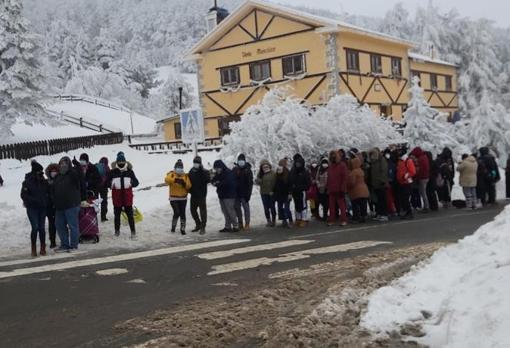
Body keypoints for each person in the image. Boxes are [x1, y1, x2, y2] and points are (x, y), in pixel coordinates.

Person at [53, 157, 85, 252]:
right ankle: (64, 244)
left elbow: (81, 177)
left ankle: (74, 245)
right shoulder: (58, 176)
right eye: (61, 164)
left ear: (69, 165)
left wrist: (78, 166)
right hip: (59, 206)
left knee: (73, 226)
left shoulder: (73, 174)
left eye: (65, 163)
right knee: (59, 225)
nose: (63, 165)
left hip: (71, 205)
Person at [21, 160, 49, 257]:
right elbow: (23, 195)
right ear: (34, 172)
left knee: (42, 228)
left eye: (41, 172)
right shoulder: (27, 182)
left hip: (42, 208)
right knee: (35, 227)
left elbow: (48, 192)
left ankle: (42, 247)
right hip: (32, 208)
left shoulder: (43, 181)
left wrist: (46, 201)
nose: (41, 174)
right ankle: (33, 248)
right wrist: (34, 200)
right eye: (39, 172)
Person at [108, 152, 139, 238]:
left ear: (125, 162)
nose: (121, 164)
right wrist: (111, 184)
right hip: (117, 197)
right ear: (117, 162)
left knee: (130, 216)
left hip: (127, 197)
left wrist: (131, 183)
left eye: (122, 162)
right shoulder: (112, 172)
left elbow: (136, 182)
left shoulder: (129, 171)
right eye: (119, 162)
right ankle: (117, 232)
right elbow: (106, 183)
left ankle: (133, 232)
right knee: (117, 216)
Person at [165, 159, 192, 235]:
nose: (179, 169)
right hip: (173, 198)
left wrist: (184, 183)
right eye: (178, 167)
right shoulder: (172, 174)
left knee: (182, 213)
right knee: (177, 212)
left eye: (181, 167)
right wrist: (175, 180)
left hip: (183, 198)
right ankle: (173, 226)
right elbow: (167, 180)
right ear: (175, 167)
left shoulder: (185, 176)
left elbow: (189, 186)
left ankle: (182, 229)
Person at [212, 160, 239, 232]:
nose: (216, 170)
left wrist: (218, 183)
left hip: (229, 196)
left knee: (230, 211)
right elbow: (213, 180)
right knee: (225, 212)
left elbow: (227, 183)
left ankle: (235, 226)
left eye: (217, 168)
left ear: (221, 167)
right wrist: (215, 182)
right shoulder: (218, 174)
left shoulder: (228, 172)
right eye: (215, 168)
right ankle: (227, 226)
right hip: (222, 195)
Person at [188, 156, 210, 234]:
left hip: (202, 195)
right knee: (192, 210)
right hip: (193, 195)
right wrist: (189, 190)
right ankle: (198, 224)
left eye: (197, 163)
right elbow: (188, 181)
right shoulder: (191, 171)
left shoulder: (204, 171)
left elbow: (208, 179)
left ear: (200, 163)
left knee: (202, 212)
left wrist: (201, 170)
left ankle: (203, 227)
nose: (195, 164)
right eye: (194, 162)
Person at [326, 150, 348, 226]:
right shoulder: (330, 166)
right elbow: (329, 178)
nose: (333, 157)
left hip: (339, 189)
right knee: (331, 206)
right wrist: (328, 187)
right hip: (331, 189)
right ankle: (331, 219)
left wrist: (343, 188)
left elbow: (344, 178)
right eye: (331, 156)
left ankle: (343, 220)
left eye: (334, 155)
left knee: (341, 206)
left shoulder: (342, 165)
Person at [289, 154, 311, 227]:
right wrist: (291, 189)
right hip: (295, 192)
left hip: (302, 191)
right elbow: (291, 181)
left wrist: (302, 188)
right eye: (297, 163)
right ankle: (298, 218)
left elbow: (308, 183)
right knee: (296, 205)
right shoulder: (293, 171)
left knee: (303, 205)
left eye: (299, 164)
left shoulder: (305, 172)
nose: (298, 165)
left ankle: (304, 219)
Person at [233, 154, 253, 230]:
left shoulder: (248, 170)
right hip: (236, 194)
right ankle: (240, 223)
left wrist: (249, 194)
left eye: (242, 160)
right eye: (239, 160)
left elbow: (250, 183)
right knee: (237, 209)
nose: (241, 162)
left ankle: (247, 223)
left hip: (245, 194)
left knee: (246, 209)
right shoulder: (235, 169)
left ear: (244, 161)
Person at [369, 147, 389, 222]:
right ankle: (379, 213)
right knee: (377, 201)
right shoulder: (373, 161)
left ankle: (384, 214)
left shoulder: (381, 160)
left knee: (382, 200)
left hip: (381, 184)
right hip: (375, 184)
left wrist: (382, 180)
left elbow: (384, 170)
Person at [348, 157, 370, 223]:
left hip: (356, 191)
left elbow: (352, 182)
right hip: (364, 190)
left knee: (355, 204)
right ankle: (363, 216)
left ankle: (356, 217)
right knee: (363, 204)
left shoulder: (353, 172)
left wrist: (348, 187)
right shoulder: (361, 170)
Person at [255, 160, 277, 227]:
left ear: (269, 166)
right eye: (264, 167)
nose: (265, 168)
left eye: (267, 166)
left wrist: (273, 191)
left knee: (272, 207)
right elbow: (257, 182)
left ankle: (273, 220)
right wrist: (258, 180)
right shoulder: (260, 173)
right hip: (264, 193)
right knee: (266, 207)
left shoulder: (273, 173)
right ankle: (268, 220)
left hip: (271, 193)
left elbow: (276, 183)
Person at [397, 150, 416, 219]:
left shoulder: (408, 161)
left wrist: (405, 176)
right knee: (403, 199)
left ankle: (409, 212)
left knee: (405, 198)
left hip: (407, 182)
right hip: (401, 182)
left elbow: (413, 171)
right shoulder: (400, 161)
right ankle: (407, 212)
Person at [410, 147, 430, 212]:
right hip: (426, 177)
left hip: (422, 178)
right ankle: (426, 206)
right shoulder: (424, 157)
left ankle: (426, 207)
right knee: (424, 192)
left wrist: (417, 178)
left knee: (423, 193)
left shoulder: (420, 159)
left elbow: (420, 170)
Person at [274, 159, 292, 228]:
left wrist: (290, 193)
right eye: (280, 164)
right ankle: (284, 220)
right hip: (279, 194)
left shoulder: (287, 172)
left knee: (286, 208)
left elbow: (290, 183)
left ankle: (290, 220)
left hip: (286, 194)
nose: (281, 165)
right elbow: (276, 184)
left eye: (283, 164)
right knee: (280, 208)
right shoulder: (277, 172)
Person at [45, 163, 59, 248]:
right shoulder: (47, 182)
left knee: (61, 223)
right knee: (52, 224)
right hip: (49, 207)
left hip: (59, 205)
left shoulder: (61, 181)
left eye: (55, 171)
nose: (53, 173)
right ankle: (52, 241)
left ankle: (64, 239)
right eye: (52, 171)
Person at [96, 157, 110, 222]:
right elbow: (109, 177)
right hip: (104, 187)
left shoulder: (96, 166)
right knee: (104, 202)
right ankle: (103, 217)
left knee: (95, 202)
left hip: (95, 186)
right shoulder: (107, 167)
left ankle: (93, 215)